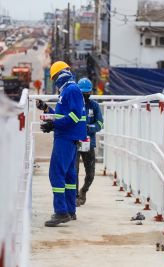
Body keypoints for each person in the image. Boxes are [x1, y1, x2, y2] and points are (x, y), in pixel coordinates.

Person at [36, 61, 87, 227]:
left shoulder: (71, 89)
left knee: (56, 173)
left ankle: (61, 212)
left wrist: (54, 125)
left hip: (65, 138)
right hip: (68, 137)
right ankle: (70, 210)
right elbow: (62, 115)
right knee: (69, 176)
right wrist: (46, 110)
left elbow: (74, 116)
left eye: (54, 77)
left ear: (57, 76)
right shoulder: (68, 90)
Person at [76, 78, 104, 206]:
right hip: (75, 142)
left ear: (90, 92)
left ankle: (83, 191)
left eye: (87, 93)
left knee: (91, 173)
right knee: (73, 171)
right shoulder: (75, 104)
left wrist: (89, 128)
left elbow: (99, 123)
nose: (85, 96)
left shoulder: (94, 106)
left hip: (89, 143)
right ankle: (75, 196)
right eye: (83, 93)